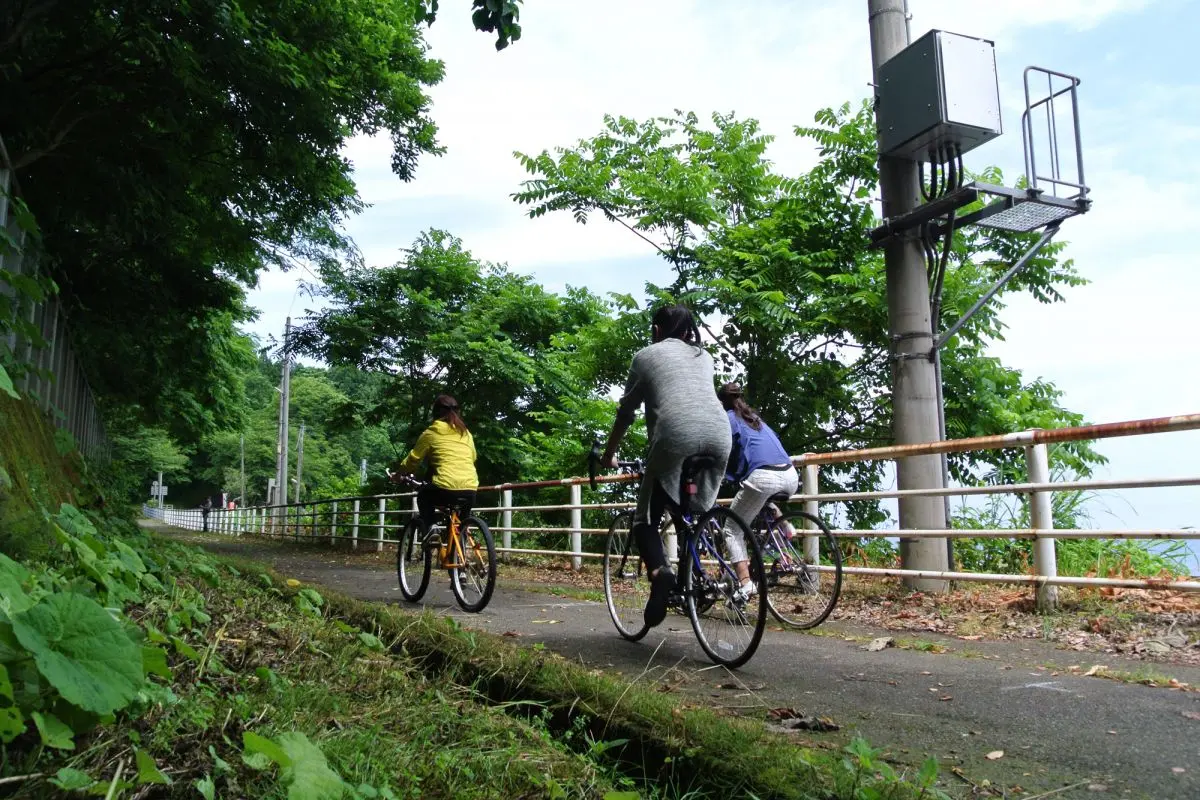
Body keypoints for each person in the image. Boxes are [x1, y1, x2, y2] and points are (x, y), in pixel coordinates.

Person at [601, 304, 731, 628]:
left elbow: (626, 412)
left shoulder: (645, 356)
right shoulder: (705, 357)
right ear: (689, 332)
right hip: (719, 432)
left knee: (644, 519)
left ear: (656, 331)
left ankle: (661, 574)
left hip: (675, 435)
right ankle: (695, 576)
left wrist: (608, 454)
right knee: (689, 507)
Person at [718, 382, 799, 600]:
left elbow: (723, 450)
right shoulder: (756, 419)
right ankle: (784, 525)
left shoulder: (729, 419)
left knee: (732, 529)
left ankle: (745, 584)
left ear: (722, 402)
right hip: (790, 474)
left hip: (764, 477)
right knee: (761, 498)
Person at [395, 394, 479, 531]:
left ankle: (431, 527)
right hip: (470, 489)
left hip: (445, 488)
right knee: (461, 527)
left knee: (423, 496)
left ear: (435, 413)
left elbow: (413, 459)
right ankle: (462, 546)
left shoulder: (431, 432)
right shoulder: (466, 433)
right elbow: (473, 457)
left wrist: (399, 474)